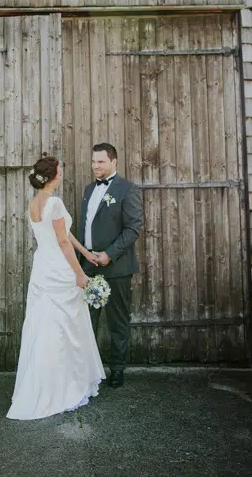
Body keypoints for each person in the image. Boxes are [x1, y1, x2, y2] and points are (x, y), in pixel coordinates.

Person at [6, 154, 105, 420]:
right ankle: (61, 387)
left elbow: (65, 235)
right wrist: (78, 274)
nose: (62, 175)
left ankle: (42, 384)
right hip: (59, 269)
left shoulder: (34, 203)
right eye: (60, 171)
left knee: (44, 326)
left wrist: (86, 252)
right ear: (53, 177)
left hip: (42, 269)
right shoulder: (55, 202)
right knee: (64, 328)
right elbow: (62, 242)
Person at [80, 143, 143, 388]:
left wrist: (109, 254)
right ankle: (88, 371)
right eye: (94, 162)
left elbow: (132, 229)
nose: (96, 167)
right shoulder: (88, 190)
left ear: (114, 161)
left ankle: (117, 369)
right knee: (87, 322)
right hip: (89, 268)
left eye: (101, 162)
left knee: (117, 322)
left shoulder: (127, 189)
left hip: (116, 269)